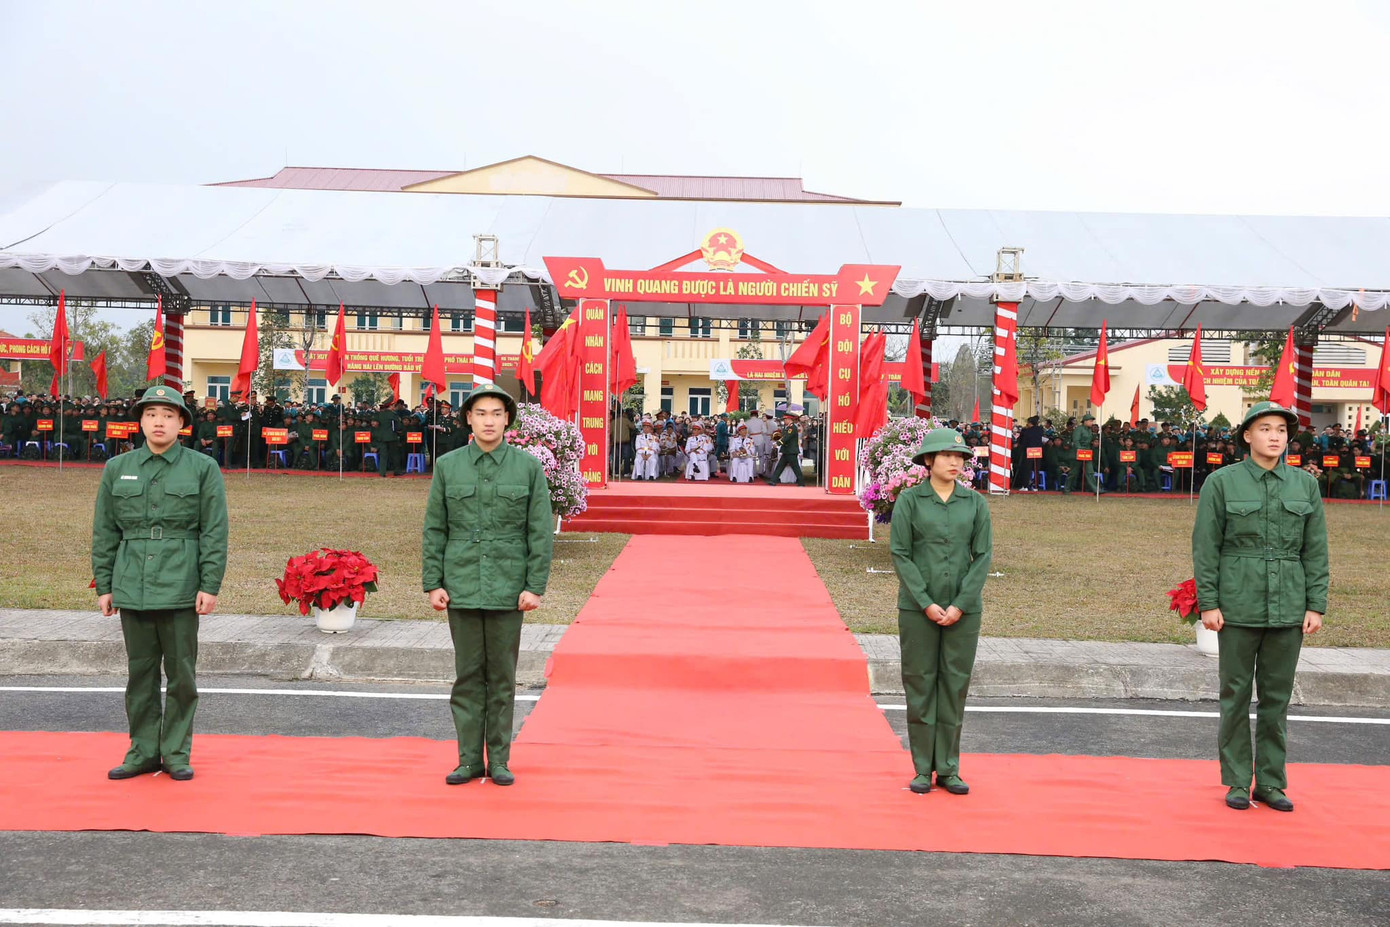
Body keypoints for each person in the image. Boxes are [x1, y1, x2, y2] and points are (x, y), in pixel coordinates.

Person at [1193, 401, 1327, 814]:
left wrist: (1315, 605)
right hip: (1237, 603)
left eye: (1282, 431)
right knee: (1234, 694)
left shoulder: (1305, 486)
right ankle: (1237, 780)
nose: (1275, 436)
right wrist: (1209, 603)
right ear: (1247, 436)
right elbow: (1206, 547)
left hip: (1289, 604)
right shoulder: (1222, 482)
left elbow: (1316, 550)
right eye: (1265, 428)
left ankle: (1270, 782)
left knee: (1276, 699)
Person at [91, 385, 229, 782]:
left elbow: (214, 531)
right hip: (132, 580)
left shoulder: (203, 468)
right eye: (151, 414)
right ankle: (143, 751)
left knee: (182, 674)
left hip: (182, 581)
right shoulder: (117, 468)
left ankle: (175, 752)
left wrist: (210, 584)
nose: (158, 422)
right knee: (140, 674)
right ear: (140, 421)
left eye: (168, 415)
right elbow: (104, 531)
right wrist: (105, 585)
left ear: (182, 423)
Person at [422, 384, 554, 787]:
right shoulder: (448, 466)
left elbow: (539, 531)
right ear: (468, 419)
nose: (489, 421)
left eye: (497, 413)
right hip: (460, 584)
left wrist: (535, 586)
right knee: (467, 676)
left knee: (501, 677)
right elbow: (435, 528)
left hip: (507, 587)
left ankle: (498, 759)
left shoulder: (527, 468)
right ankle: (467, 760)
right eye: (481, 413)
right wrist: (433, 582)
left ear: (507, 420)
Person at [889, 427, 993, 795]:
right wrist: (926, 602)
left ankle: (948, 768)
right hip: (919, 610)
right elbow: (900, 553)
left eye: (961, 456)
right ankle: (922, 768)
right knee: (920, 685)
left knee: (954, 687)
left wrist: (961, 604)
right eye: (947, 455)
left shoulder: (975, 503)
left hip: (963, 612)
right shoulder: (910, 501)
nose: (955, 462)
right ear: (928, 460)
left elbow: (982, 556)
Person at [1064, 413, 1102, 494]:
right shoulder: (1078, 429)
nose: (1092, 423)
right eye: (1090, 421)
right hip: (1077, 453)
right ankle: (1067, 489)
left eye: (1092, 421)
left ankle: (1095, 489)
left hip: (1087, 452)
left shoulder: (1089, 430)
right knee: (1073, 472)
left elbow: (1088, 442)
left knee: (1090, 472)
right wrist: (1080, 450)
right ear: (1085, 421)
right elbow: (1076, 440)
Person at [765, 412, 804, 486]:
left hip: (791, 451)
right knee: (780, 466)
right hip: (787, 451)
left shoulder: (792, 428)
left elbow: (786, 438)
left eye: (785, 419)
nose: (784, 421)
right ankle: (773, 480)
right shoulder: (788, 427)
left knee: (795, 468)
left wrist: (778, 443)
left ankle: (801, 482)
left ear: (789, 419)